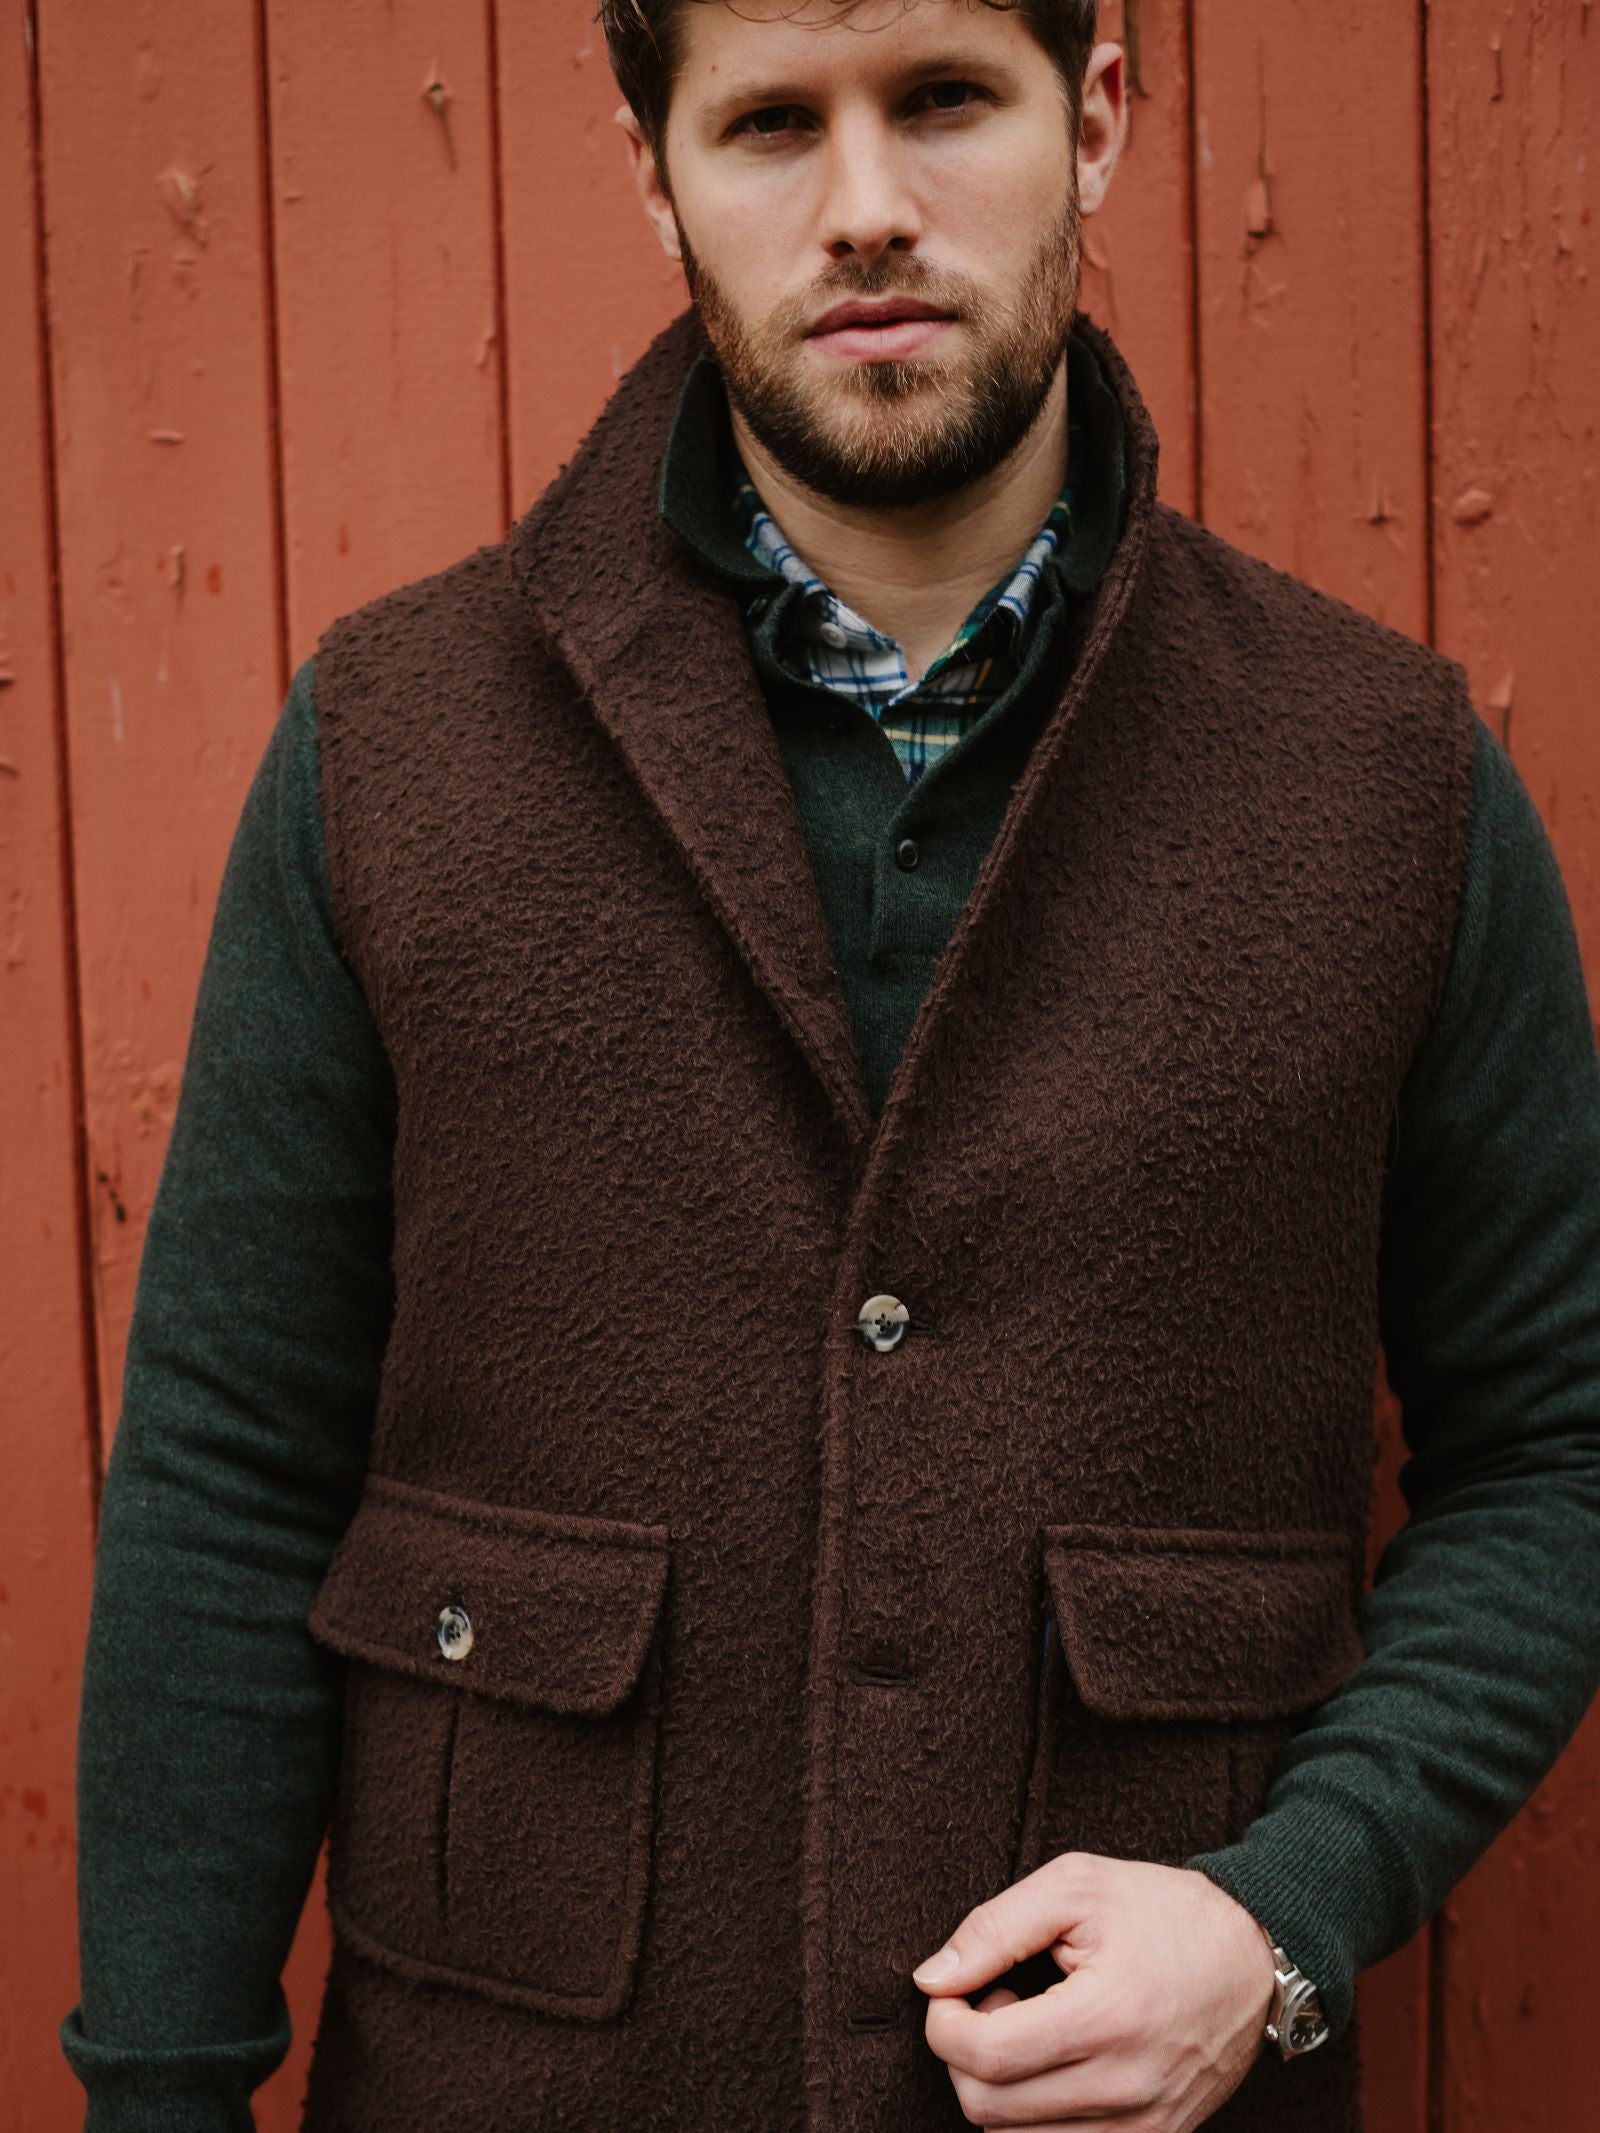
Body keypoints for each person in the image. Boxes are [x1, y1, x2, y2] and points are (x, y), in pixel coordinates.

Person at [61, 3, 1600, 2129]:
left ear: (1096, 119)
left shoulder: (1386, 787)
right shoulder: (390, 749)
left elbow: (1557, 1451)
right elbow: (230, 1477)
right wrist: (159, 2094)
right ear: (653, 170)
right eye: (771, 122)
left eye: (944, 97)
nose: (865, 206)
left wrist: (1283, 1914)